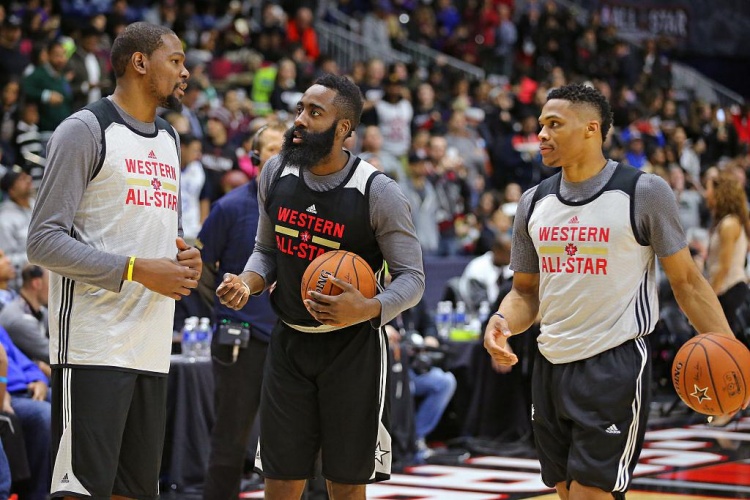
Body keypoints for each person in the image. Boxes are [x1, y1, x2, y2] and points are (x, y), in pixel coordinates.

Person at [483, 83, 736, 500]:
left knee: (591, 495)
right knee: (565, 492)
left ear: (591, 129)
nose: (541, 134)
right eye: (541, 124)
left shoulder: (643, 192)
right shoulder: (533, 202)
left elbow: (688, 282)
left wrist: (728, 350)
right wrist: (501, 321)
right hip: (550, 363)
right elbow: (525, 293)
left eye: (554, 124)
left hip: (613, 364)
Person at [216, 74, 425, 499]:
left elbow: (413, 278)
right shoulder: (276, 172)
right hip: (289, 344)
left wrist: (368, 308)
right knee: (279, 480)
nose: (300, 120)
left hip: (352, 350)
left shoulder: (377, 191)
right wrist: (247, 282)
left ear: (343, 127)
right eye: (300, 109)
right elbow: (266, 251)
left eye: (314, 112)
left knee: (345, 484)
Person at [26, 22, 202, 499]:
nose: (185, 72)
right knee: (81, 492)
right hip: (93, 346)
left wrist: (184, 256)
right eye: (176, 61)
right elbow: (42, 241)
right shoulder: (84, 130)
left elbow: (161, 231)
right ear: (139, 62)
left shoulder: (169, 138)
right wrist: (135, 269)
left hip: (151, 344)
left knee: (137, 492)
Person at [199, 120, 285, 500]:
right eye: (273, 149)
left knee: (298, 435)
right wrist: (225, 308)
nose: (282, 157)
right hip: (242, 339)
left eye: (287, 150)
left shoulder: (303, 209)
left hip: (288, 338)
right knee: (230, 437)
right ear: (254, 158)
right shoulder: (230, 207)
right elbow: (202, 269)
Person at [704, 170, 750, 341]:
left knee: (728, 348)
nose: (706, 194)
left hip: (731, 292)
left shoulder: (729, 224)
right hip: (728, 291)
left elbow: (724, 267)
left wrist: (709, 301)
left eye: (708, 189)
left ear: (720, 193)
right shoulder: (727, 222)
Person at [0, 265, 50, 373]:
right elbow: (53, 355)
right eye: (51, 282)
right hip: (24, 377)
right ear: (37, 283)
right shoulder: (18, 320)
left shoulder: (39, 311)